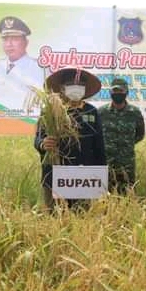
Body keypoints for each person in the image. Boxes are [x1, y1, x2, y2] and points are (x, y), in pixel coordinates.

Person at [34, 67, 106, 211]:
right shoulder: (50, 110)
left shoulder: (91, 111)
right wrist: (43, 144)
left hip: (85, 175)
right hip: (56, 173)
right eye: (72, 84)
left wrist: (102, 176)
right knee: (55, 216)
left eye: (80, 86)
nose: (76, 88)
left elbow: (99, 146)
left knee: (83, 215)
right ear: (62, 87)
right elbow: (38, 139)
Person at [0, 16, 50, 115]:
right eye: (5, 39)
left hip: (27, 123)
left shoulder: (41, 69)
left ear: (26, 42)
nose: (9, 44)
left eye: (14, 39)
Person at [97, 77, 145, 194]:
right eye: (115, 91)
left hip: (126, 164)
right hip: (106, 163)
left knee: (128, 196)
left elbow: (140, 134)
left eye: (120, 91)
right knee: (104, 197)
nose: (117, 94)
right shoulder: (101, 112)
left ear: (126, 92)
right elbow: (96, 135)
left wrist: (126, 144)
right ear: (110, 93)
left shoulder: (135, 113)